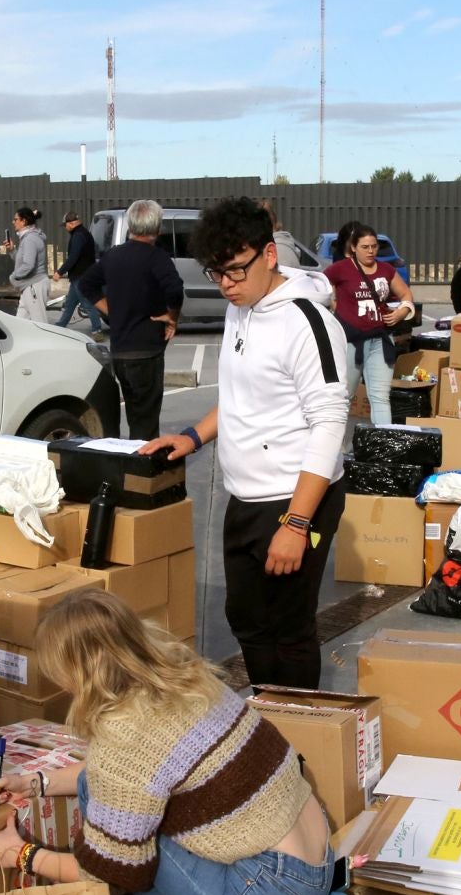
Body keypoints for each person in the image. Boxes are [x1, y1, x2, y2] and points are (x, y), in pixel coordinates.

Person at [0, 589, 335, 895]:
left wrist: (20, 856)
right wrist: (36, 783)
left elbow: (108, 874)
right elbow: (128, 775)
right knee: (110, 805)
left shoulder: (125, 735)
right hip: (311, 871)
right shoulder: (185, 677)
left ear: (77, 671)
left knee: (130, 847)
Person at [142, 197, 348, 689]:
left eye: (236, 270)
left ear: (269, 255)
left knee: (289, 629)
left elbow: (329, 423)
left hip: (295, 499)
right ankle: (268, 719)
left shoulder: (307, 322)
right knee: (247, 620)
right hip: (246, 496)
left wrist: (297, 524)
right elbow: (239, 398)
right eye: (217, 274)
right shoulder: (241, 310)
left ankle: (300, 732)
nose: (227, 285)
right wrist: (192, 437)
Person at [77, 200, 184, 439]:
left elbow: (87, 284)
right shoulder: (157, 257)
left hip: (121, 351)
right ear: (157, 229)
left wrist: (110, 310)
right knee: (145, 424)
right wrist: (172, 317)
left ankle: (133, 463)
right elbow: (175, 290)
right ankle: (140, 470)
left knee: (135, 416)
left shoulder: (112, 256)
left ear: (130, 226)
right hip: (147, 352)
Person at [323, 221, 416, 425]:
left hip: (380, 341)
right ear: (353, 248)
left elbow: (405, 293)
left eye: (374, 246)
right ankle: (340, 449)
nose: (371, 251)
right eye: (365, 247)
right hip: (350, 342)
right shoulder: (340, 269)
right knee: (343, 398)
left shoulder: (386, 269)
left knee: (380, 398)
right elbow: (320, 285)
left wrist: (402, 311)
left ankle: (380, 452)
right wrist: (333, 303)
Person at [51, 212, 105, 335]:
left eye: (66, 225)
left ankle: (97, 330)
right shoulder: (84, 233)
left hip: (81, 276)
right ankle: (60, 326)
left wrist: (60, 272)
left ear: (71, 223)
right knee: (70, 303)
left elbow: (73, 257)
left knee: (87, 303)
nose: (65, 228)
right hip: (79, 275)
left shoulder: (78, 236)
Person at [2, 207, 50, 325]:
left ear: (24, 221)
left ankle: (47, 344)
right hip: (29, 287)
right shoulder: (29, 237)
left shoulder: (30, 239)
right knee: (20, 324)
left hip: (34, 286)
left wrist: (13, 277)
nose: (13, 222)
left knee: (40, 325)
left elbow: (28, 265)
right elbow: (22, 261)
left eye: (16, 219)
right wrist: (12, 250)